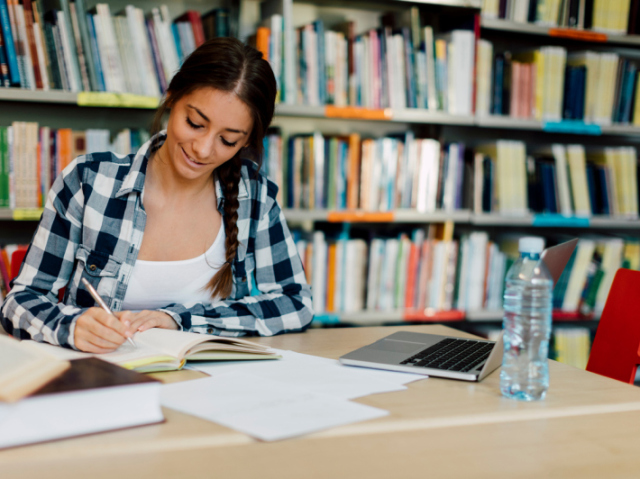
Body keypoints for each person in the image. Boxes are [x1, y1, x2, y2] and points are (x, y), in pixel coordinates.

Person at [1, 38, 313, 353]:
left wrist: (179, 319)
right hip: (102, 383)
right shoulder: (89, 182)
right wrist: (70, 326)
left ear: (246, 142)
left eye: (228, 140)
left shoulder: (254, 197)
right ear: (171, 98)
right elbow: (18, 303)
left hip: (212, 390)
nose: (203, 150)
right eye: (195, 123)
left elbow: (296, 303)